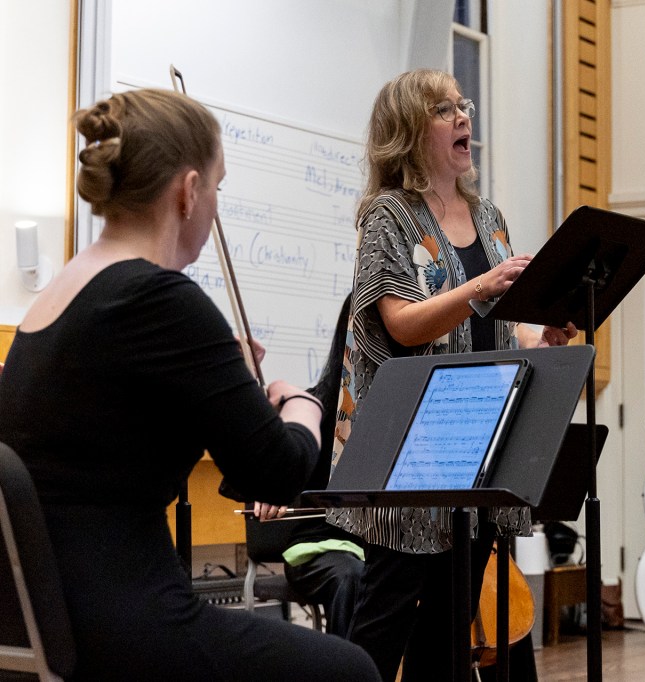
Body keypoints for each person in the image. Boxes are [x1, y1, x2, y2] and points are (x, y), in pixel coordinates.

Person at [0, 89, 380, 682]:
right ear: (189, 190)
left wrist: (223, 377)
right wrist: (300, 403)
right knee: (349, 670)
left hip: (47, 619)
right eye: (218, 189)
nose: (214, 207)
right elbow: (279, 473)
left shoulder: (64, 293)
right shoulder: (160, 299)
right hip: (126, 622)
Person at [324, 69, 577, 681]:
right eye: (444, 109)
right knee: (386, 613)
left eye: (462, 105)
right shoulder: (388, 216)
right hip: (412, 449)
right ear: (408, 131)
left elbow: (500, 326)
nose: (463, 115)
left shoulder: (488, 216)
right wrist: (481, 286)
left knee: (451, 621)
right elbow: (401, 322)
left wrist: (538, 337)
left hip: (480, 441)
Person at [253, 294, 366, 639]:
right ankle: (347, 666)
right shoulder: (313, 405)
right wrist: (273, 485)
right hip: (322, 543)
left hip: (383, 545)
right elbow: (271, 466)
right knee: (351, 576)